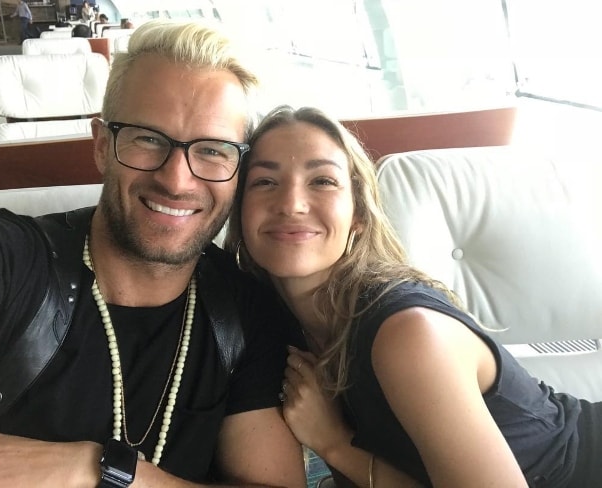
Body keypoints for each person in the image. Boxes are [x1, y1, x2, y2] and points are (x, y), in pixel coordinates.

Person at [0, 22, 306, 488]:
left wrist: (108, 472)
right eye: (148, 139)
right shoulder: (7, 258)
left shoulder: (245, 316)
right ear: (102, 146)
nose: (178, 180)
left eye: (213, 150)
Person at [225, 105, 602, 488]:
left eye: (322, 181)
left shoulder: (406, 332)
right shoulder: (270, 326)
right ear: (239, 210)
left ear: (358, 215)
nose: (291, 204)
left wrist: (335, 443)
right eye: (265, 182)